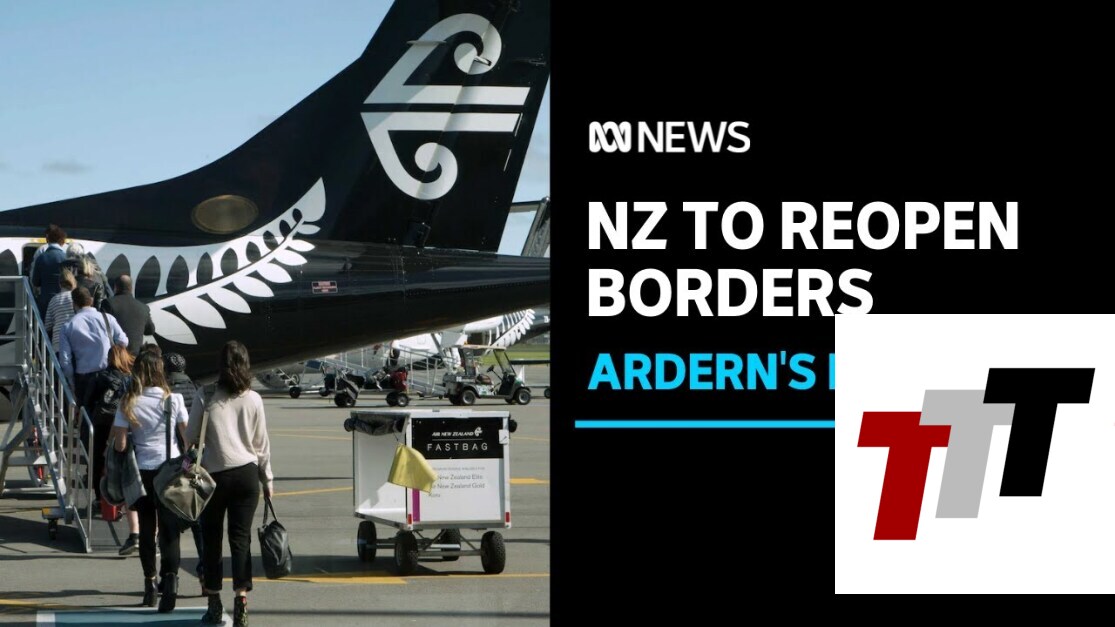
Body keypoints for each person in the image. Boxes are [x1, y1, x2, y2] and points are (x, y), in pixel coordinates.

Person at [188, 341, 272, 627]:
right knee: (241, 539)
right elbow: (261, 445)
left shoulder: (206, 394)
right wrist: (268, 479)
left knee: (212, 539)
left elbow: (190, 436)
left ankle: (214, 603)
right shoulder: (254, 399)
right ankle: (241, 601)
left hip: (214, 476)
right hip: (247, 475)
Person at [109, 350, 189, 612]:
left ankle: (149, 584)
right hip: (170, 470)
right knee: (170, 531)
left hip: (142, 471)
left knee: (146, 529)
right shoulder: (173, 399)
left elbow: (120, 445)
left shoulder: (128, 402)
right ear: (160, 371)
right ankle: (171, 581)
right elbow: (187, 438)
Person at [164, 351, 209, 593]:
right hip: (197, 462)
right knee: (199, 522)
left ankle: (169, 577)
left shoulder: (168, 393)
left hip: (174, 463)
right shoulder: (196, 388)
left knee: (170, 524)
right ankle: (204, 574)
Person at [59, 287, 128, 418]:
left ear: (74, 304)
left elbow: (65, 361)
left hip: (83, 378)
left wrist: (72, 384)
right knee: (109, 413)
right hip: (108, 375)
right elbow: (123, 341)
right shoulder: (108, 318)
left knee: (86, 416)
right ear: (91, 300)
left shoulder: (68, 326)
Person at [101, 275, 155, 356]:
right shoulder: (143, 307)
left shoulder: (108, 304)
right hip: (135, 356)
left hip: (117, 357)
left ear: (116, 287)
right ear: (131, 288)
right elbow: (150, 330)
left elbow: (102, 329)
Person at [30, 224, 67, 319]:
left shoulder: (41, 258)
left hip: (46, 300)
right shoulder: (66, 258)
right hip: (63, 300)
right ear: (62, 240)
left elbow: (35, 282)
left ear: (47, 239)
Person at [44, 269, 78, 354]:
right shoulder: (76, 297)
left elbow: (47, 326)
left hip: (58, 342)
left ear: (59, 284)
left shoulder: (54, 300)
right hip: (76, 339)